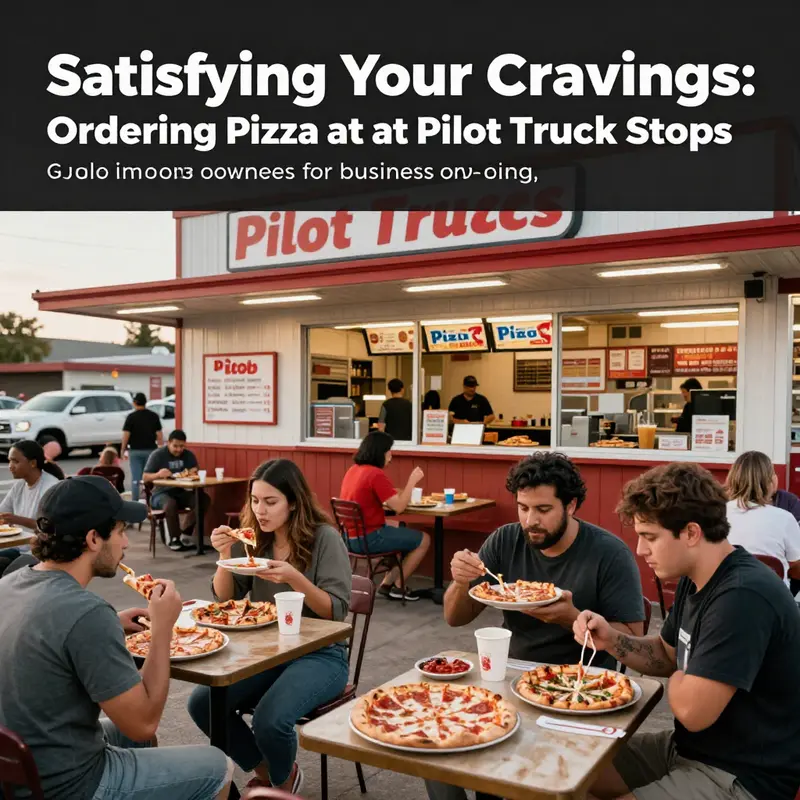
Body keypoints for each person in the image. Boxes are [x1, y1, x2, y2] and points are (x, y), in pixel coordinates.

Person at [425, 453, 645, 800]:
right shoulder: (505, 540)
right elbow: (455, 618)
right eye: (523, 508)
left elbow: (635, 642)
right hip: (509, 676)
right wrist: (460, 581)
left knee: (505, 769)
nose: (530, 521)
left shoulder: (609, 553)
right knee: (434, 742)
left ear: (571, 505)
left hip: (582, 687)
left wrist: (569, 617)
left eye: (543, 510)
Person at [575, 461, 800, 800]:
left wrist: (682, 675)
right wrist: (611, 639)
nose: (641, 550)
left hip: (741, 775)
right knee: (575, 767)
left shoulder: (742, 596)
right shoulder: (696, 577)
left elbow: (693, 713)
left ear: (692, 533)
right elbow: (667, 655)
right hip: (688, 749)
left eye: (650, 537)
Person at [0, 475, 233, 800]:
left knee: (137, 742)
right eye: (121, 531)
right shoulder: (87, 613)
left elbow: (53, 635)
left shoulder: (9, 583)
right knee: (217, 766)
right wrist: (163, 629)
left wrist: (112, 623)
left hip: (19, 769)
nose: (126, 544)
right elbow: (144, 722)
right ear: (94, 538)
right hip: (67, 785)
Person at [188, 458, 351, 793]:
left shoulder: (325, 538)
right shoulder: (255, 539)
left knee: (269, 719)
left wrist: (294, 577)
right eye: (255, 500)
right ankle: (271, 773)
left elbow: (336, 611)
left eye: (270, 502)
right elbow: (225, 598)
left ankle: (280, 783)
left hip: (322, 655)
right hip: (267, 652)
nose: (260, 510)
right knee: (202, 703)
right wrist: (224, 556)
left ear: (293, 502)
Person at [339, 430, 430, 601]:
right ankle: (399, 587)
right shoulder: (375, 474)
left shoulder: (354, 470)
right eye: (389, 451)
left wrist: (398, 492)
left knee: (400, 527)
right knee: (424, 540)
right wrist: (412, 481)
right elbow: (399, 507)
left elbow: (380, 495)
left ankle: (387, 584)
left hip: (349, 537)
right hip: (368, 539)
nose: (391, 456)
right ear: (380, 452)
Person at [724, 450, 800, 589]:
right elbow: (796, 566)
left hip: (724, 595)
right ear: (771, 481)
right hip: (773, 596)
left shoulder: (717, 514)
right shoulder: (785, 518)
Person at [0, 440, 62, 574]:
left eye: (15, 461)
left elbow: (53, 528)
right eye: (9, 461)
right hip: (21, 548)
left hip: (41, 552)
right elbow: (2, 512)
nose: (10, 466)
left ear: (33, 463)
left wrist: (17, 520)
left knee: (6, 573)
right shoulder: (19, 485)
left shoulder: (50, 487)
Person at [142, 429, 209, 552]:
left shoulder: (188, 455)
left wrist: (193, 471)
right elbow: (145, 477)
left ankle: (185, 533)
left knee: (203, 499)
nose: (179, 449)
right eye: (175, 446)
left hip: (181, 491)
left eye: (182, 446)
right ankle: (174, 539)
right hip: (160, 493)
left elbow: (195, 469)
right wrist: (158, 474)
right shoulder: (158, 455)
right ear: (168, 443)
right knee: (171, 504)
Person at [122, 392, 164, 502]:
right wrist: (161, 448)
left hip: (135, 451)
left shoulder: (131, 417)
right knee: (150, 477)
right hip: (151, 451)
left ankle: (136, 502)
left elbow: (126, 435)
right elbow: (159, 435)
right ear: (145, 402)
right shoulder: (153, 416)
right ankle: (151, 501)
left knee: (136, 479)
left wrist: (123, 449)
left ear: (134, 403)